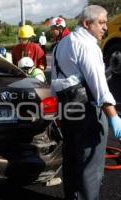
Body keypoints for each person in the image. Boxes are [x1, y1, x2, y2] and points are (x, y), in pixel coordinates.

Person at [51, 5, 121, 200]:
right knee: (90, 167)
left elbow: (54, 83)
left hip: (67, 110)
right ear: (86, 23)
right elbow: (100, 88)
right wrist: (114, 117)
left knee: (72, 159)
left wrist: (58, 112)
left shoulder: (60, 45)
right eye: (101, 23)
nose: (105, 27)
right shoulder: (87, 46)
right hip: (87, 112)